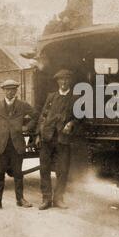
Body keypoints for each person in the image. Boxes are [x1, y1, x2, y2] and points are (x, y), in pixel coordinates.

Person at [0, 80, 38, 211]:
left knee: (18, 173)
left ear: (16, 91)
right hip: (1, 145)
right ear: (3, 91)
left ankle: (20, 199)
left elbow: (36, 116)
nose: (10, 92)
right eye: (7, 90)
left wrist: (27, 127)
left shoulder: (22, 105)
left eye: (12, 90)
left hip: (17, 145)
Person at [36, 69, 78, 210]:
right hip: (47, 137)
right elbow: (43, 116)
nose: (64, 82)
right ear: (58, 82)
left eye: (66, 79)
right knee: (44, 169)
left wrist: (71, 123)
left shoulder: (76, 98)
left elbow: (81, 117)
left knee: (63, 170)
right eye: (61, 80)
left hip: (63, 138)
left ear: (70, 81)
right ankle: (46, 199)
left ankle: (58, 199)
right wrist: (38, 134)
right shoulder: (51, 97)